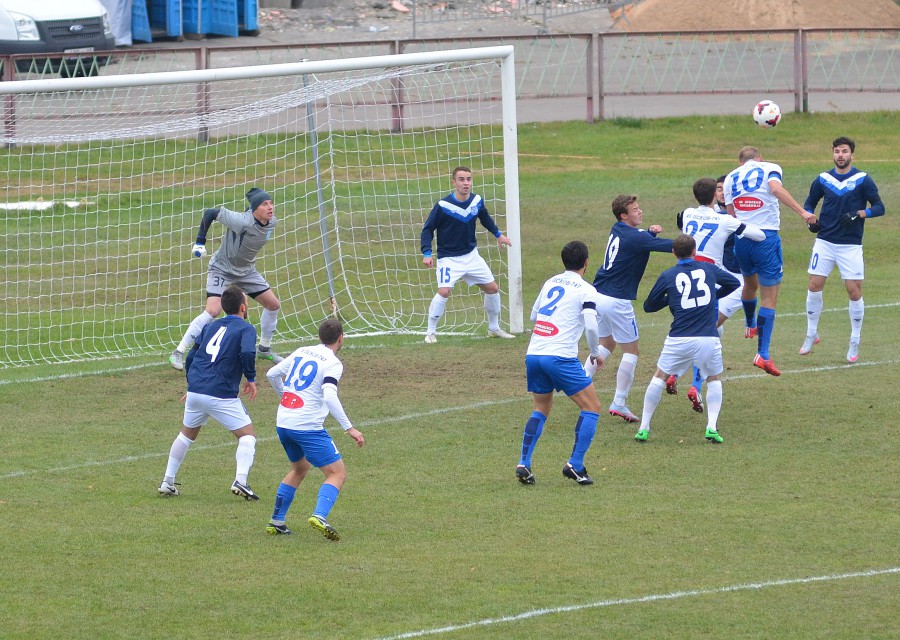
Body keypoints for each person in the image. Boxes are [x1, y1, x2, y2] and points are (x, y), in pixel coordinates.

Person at [666, 177, 764, 412]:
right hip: (712, 276)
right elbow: (759, 235)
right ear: (714, 195)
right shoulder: (726, 220)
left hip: (685, 276)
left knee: (713, 330)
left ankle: (680, 377)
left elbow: (682, 221)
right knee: (710, 329)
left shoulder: (688, 213)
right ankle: (689, 381)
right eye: (719, 189)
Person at [265, 318, 365, 539]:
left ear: (320, 336)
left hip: (283, 422)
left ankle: (277, 521)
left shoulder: (302, 350)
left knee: (299, 468)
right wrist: (349, 428)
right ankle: (319, 515)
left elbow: (271, 374)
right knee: (337, 473)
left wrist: (285, 397)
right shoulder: (333, 363)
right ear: (341, 338)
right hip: (307, 426)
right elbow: (329, 394)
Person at [634, 234, 740, 443]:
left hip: (679, 339)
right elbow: (734, 282)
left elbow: (648, 306)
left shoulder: (667, 275)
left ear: (673, 253)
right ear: (695, 252)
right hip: (708, 339)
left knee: (659, 377)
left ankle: (644, 427)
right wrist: (712, 296)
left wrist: (672, 299)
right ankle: (711, 427)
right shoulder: (708, 269)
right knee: (713, 379)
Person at [158, 285, 260, 499]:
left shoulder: (210, 327)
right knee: (247, 436)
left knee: (186, 435)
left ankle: (167, 481)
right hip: (221, 393)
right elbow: (249, 352)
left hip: (196, 390)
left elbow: (192, 356)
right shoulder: (246, 329)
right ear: (243, 307)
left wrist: (191, 385)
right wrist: (250, 378)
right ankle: (241, 481)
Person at [517, 240, 605, 487]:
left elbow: (535, 315)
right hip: (560, 356)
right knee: (592, 407)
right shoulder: (587, 290)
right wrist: (595, 352)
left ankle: (524, 463)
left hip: (534, 353)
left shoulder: (550, 282)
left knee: (541, 409)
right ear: (586, 263)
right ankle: (575, 465)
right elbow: (590, 324)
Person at [723, 146, 818, 376]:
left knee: (750, 284)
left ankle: (749, 324)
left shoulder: (729, 178)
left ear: (740, 163)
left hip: (742, 239)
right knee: (769, 296)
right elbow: (775, 189)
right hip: (765, 238)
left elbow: (730, 214)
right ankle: (763, 354)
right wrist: (803, 213)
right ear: (760, 158)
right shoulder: (770, 167)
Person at [169, 187, 284, 371]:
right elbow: (211, 213)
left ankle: (264, 348)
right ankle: (178, 352)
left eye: (271, 203)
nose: (270, 207)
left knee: (273, 305)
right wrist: (200, 241)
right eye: (264, 204)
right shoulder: (242, 221)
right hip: (221, 269)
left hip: (246, 271)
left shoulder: (272, 223)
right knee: (213, 311)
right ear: (254, 209)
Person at [800, 136, 885, 363]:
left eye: (844, 151)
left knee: (853, 291)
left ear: (852, 155)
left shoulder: (862, 179)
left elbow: (879, 207)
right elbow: (809, 204)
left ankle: (855, 339)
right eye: (837, 151)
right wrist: (810, 219)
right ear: (833, 154)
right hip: (825, 241)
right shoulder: (823, 179)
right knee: (814, 284)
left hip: (850, 245)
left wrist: (860, 213)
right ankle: (811, 333)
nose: (840, 155)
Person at [591, 194, 673, 423]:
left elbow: (637, 241)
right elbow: (673, 247)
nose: (641, 211)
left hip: (598, 295)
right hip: (617, 300)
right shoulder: (636, 237)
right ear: (623, 215)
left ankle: (579, 383)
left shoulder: (617, 229)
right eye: (635, 210)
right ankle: (619, 401)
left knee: (606, 344)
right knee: (631, 351)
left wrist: (649, 233)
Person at [420, 166, 515, 344]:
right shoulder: (443, 206)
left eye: (469, 179)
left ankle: (493, 329)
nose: (466, 183)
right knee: (444, 291)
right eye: (462, 179)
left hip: (471, 256)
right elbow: (427, 229)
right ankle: (430, 332)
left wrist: (499, 235)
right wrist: (427, 252)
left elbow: (485, 218)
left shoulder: (476, 201)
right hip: (448, 258)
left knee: (493, 288)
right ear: (453, 182)